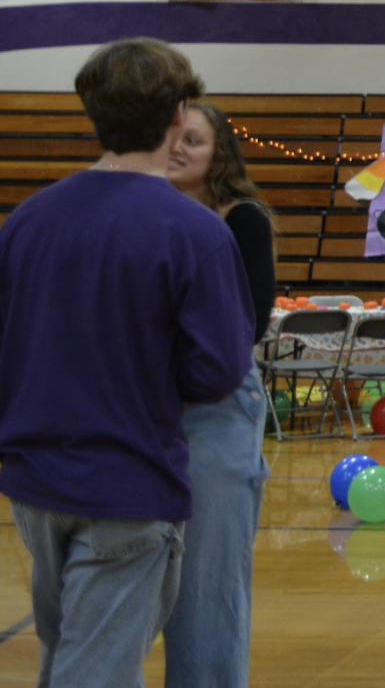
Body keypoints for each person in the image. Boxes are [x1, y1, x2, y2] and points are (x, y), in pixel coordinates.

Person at [0, 39, 254, 687]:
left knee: (65, 654)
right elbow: (217, 371)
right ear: (175, 117)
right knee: (94, 670)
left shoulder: (27, 220)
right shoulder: (194, 231)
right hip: (127, 482)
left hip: (37, 484)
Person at [163, 100, 277, 688]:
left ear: (219, 154)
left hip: (215, 403)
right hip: (140, 405)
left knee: (206, 586)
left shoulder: (241, 218)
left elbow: (247, 325)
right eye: (173, 137)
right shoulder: (144, 214)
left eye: (195, 140)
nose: (180, 148)